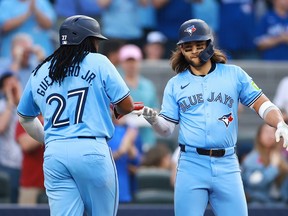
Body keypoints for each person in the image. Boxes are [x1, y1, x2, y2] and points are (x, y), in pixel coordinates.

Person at [141, 19, 288, 216]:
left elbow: (263, 104)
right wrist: (154, 120)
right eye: (188, 46)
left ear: (209, 44)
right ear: (181, 50)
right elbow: (167, 129)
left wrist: (279, 122)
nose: (194, 51)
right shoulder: (175, 84)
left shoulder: (234, 74)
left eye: (199, 45)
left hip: (226, 162)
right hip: (191, 163)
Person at [16, 15, 142, 216]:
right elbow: (126, 105)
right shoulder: (98, 61)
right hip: (91, 149)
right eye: (95, 40)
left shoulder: (41, 69)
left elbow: (24, 117)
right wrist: (116, 111)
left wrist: (47, 139)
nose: (97, 45)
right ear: (87, 40)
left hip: (55, 153)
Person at [241, 123, 288, 205]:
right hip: (258, 204)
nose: (270, 135)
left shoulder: (281, 157)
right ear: (259, 136)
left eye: (272, 132)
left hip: (280, 205)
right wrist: (273, 167)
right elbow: (255, 184)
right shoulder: (251, 159)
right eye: (266, 132)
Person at [0, 71, 23, 203]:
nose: (13, 86)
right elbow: (1, 127)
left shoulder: (25, 106)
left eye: (15, 82)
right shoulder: (2, 106)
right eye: (9, 84)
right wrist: (10, 102)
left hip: (24, 164)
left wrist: (19, 99)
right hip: (7, 165)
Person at [15, 115, 45, 204]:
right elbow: (26, 145)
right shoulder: (26, 119)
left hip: (58, 184)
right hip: (31, 184)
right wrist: (50, 127)